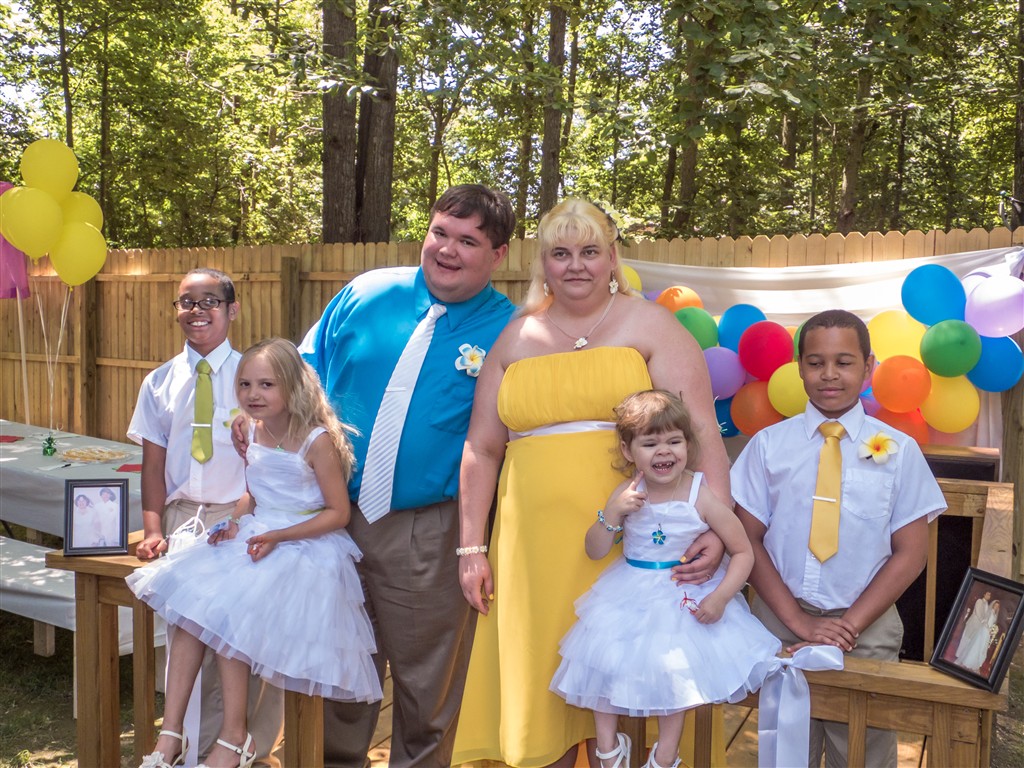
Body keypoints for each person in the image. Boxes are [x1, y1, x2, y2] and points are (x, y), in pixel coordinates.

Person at [454, 199, 730, 767]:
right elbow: (481, 447)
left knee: (637, 673)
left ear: (612, 258)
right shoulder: (515, 337)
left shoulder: (651, 325)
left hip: (635, 544)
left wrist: (717, 527)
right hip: (532, 551)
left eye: (589, 251)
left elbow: (701, 429)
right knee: (543, 684)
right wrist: (471, 548)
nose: (575, 265)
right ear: (543, 263)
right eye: (560, 253)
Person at [295, 185, 519, 767]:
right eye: (440, 232)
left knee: (427, 691)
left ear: (498, 255)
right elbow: (301, 378)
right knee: (337, 673)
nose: (447, 249)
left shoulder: (513, 331)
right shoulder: (366, 293)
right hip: (330, 519)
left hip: (430, 531)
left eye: (467, 241)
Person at [129, 338, 381, 768]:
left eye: (266, 384)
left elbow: (338, 513)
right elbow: (253, 492)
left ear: (293, 386)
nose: (253, 394)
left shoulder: (317, 440)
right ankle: (170, 735)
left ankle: (234, 737)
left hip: (304, 544)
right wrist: (233, 522)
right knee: (188, 612)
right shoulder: (251, 430)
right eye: (245, 384)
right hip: (259, 533)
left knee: (233, 611)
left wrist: (279, 535)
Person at [732, 309, 947, 768]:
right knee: (786, 749)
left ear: (868, 367)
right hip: (780, 624)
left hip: (865, 629)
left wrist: (847, 627)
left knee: (864, 752)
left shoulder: (899, 451)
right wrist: (798, 621)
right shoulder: (768, 446)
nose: (829, 374)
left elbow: (911, 553)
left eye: (844, 362)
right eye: (815, 362)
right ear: (799, 367)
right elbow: (747, 539)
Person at [550, 390, 781, 768]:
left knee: (676, 671)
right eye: (650, 443)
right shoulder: (627, 494)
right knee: (602, 658)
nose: (664, 451)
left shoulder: (699, 495)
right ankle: (608, 747)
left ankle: (666, 753)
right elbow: (594, 549)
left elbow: (743, 551)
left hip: (680, 595)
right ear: (628, 451)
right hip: (629, 591)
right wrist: (613, 513)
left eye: (674, 441)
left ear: (688, 445)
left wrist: (722, 596)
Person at [128, 268, 283, 766]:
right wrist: (154, 528)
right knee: (187, 633)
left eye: (209, 301)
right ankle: (185, 744)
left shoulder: (254, 378)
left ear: (232, 309)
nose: (196, 311)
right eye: (186, 302)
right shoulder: (159, 382)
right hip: (182, 518)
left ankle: (242, 744)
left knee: (238, 639)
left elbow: (274, 456)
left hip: (241, 517)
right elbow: (153, 465)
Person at [954, 593, 998, 672]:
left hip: (984, 630)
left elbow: (987, 619)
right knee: (968, 640)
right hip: (976, 625)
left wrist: (991, 629)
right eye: (987, 594)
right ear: (984, 594)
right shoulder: (979, 601)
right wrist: (985, 624)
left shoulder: (989, 607)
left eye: (990, 595)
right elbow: (979, 614)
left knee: (976, 645)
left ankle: (972, 661)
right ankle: (961, 656)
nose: (988, 596)